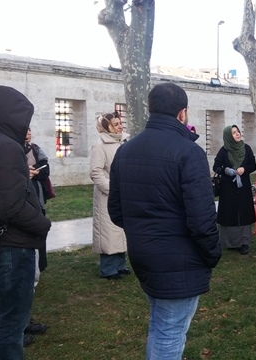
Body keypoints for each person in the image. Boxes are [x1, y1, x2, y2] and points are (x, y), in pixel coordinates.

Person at [108, 83, 221, 359]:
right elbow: (202, 219)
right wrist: (212, 253)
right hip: (177, 260)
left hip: (144, 255)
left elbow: (116, 210)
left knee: (161, 327)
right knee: (170, 334)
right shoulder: (189, 152)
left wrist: (143, 233)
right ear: (183, 113)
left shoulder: (126, 150)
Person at [0, 85, 52, 359]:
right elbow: (9, 205)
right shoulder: (6, 147)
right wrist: (42, 225)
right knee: (11, 326)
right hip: (10, 245)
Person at [90, 112, 130, 279]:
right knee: (108, 232)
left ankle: (120, 264)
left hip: (124, 192)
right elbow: (96, 172)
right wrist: (112, 188)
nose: (120, 126)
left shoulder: (125, 142)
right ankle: (108, 268)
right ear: (107, 127)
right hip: (108, 194)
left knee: (121, 229)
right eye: (116, 123)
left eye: (120, 123)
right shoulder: (99, 146)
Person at [23, 128, 52, 344]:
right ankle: (17, 329)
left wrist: (35, 172)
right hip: (15, 219)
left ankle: (23, 321)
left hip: (33, 206)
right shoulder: (6, 150)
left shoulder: (34, 149)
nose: (28, 133)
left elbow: (46, 169)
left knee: (32, 267)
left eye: (30, 129)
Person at [213, 125, 256, 255]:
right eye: (233, 133)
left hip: (243, 187)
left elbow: (253, 165)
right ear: (228, 136)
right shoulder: (224, 150)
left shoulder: (246, 149)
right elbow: (216, 166)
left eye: (238, 131)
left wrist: (244, 169)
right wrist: (226, 170)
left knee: (244, 213)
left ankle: (244, 243)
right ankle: (229, 242)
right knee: (229, 213)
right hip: (228, 188)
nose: (237, 134)